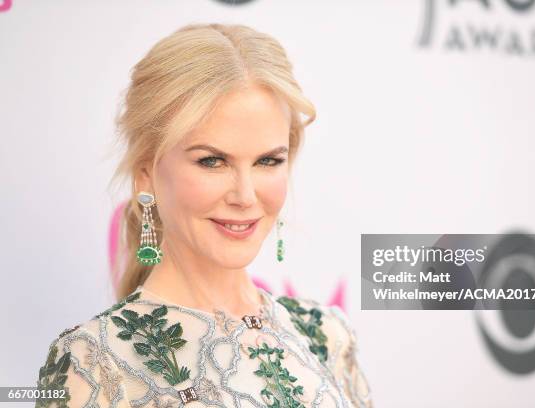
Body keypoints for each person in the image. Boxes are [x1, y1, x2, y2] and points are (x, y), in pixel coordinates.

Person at [35, 23, 373, 408]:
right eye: (212, 161)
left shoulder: (326, 336)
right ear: (147, 174)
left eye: (268, 161)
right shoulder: (93, 363)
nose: (245, 196)